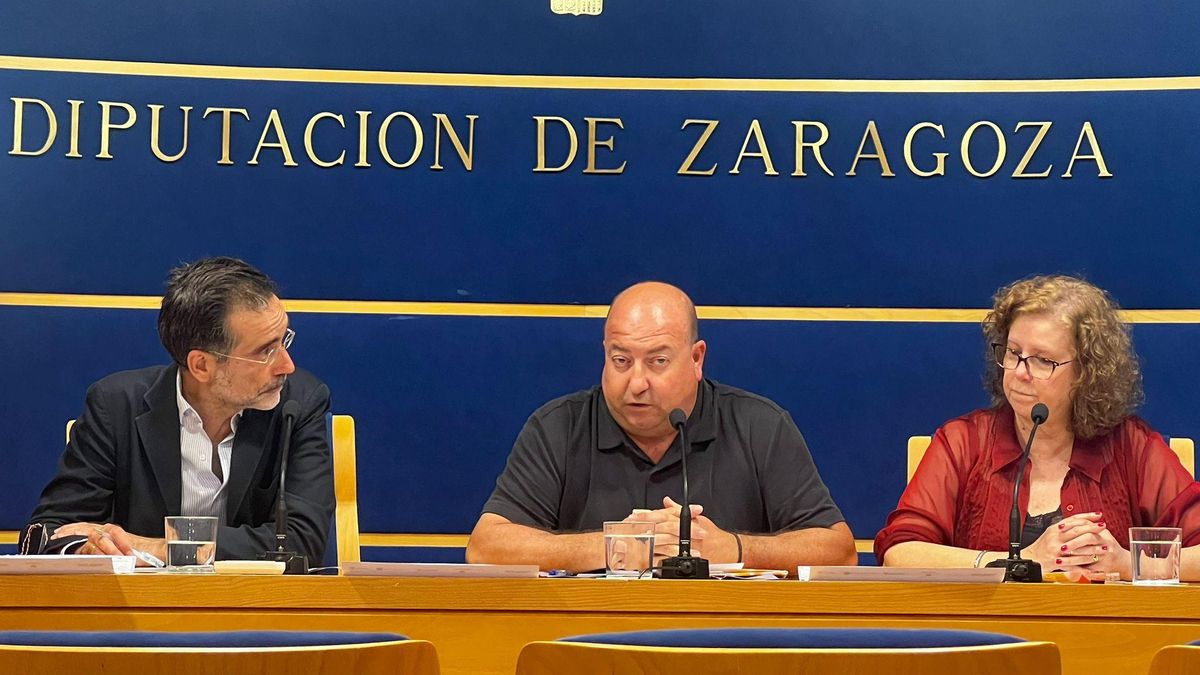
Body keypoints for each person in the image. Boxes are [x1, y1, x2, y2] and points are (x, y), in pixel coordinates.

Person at [466, 281, 856, 572]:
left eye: (657, 362)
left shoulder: (760, 426)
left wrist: (733, 549)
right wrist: (617, 546)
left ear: (697, 358)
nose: (636, 383)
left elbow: (839, 553)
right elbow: (486, 548)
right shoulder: (558, 427)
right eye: (621, 361)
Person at [875, 275, 1200, 579]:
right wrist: (1017, 561)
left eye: (1043, 360)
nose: (1019, 372)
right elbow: (900, 552)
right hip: (990, 635)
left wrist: (1127, 562)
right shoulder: (963, 442)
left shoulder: (1131, 447)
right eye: (1014, 353)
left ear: (1088, 372)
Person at [20, 257, 334, 564]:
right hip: (141, 609)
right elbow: (52, 531)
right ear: (202, 365)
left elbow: (300, 541)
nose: (287, 366)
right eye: (266, 351)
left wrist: (158, 547)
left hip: (255, 609)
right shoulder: (116, 406)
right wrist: (87, 548)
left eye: (284, 341)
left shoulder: (299, 404)